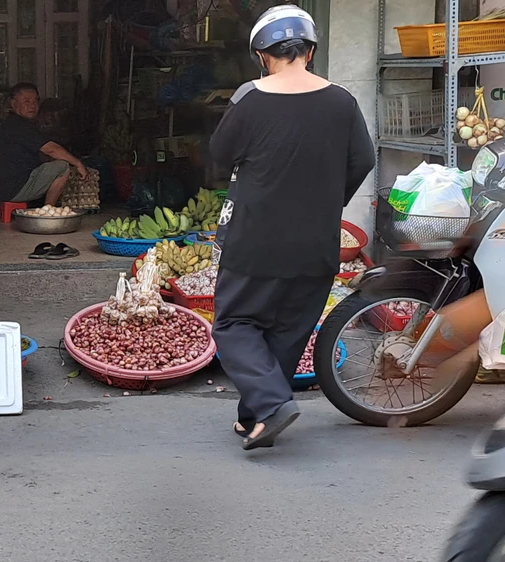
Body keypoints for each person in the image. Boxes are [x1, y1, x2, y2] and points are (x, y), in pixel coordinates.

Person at [208, 5, 375, 450]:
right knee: (287, 330)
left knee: (235, 324)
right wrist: (327, 201)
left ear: (262, 55)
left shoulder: (250, 97)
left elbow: (220, 156)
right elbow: (363, 159)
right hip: (317, 240)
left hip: (256, 238)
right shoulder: (342, 99)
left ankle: (271, 404)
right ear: (310, 51)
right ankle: (257, 418)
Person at [0, 83, 88, 205]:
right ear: (13, 104)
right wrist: (78, 163)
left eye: (35, 101)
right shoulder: (18, 126)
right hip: (11, 189)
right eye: (26, 101)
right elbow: (50, 149)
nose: (32, 106)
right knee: (61, 167)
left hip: (7, 187)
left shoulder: (20, 124)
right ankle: (48, 210)